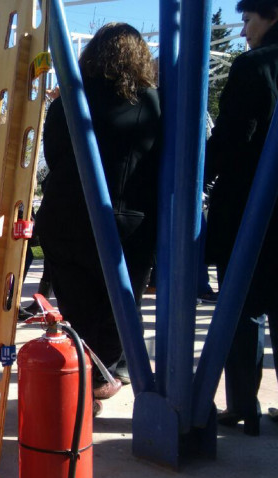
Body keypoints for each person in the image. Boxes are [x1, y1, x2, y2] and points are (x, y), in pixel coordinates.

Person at [35, 23, 160, 401]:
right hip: (126, 223)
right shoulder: (150, 102)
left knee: (76, 309)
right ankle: (105, 370)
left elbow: (53, 157)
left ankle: (88, 374)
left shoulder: (68, 101)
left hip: (66, 218)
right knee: (119, 309)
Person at [206, 0, 278, 434]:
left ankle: (243, 403)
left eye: (248, 19)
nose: (243, 32)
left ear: (272, 14)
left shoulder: (254, 67)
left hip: (250, 207)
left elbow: (232, 139)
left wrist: (199, 176)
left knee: (243, 306)